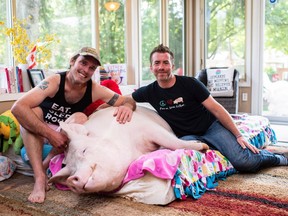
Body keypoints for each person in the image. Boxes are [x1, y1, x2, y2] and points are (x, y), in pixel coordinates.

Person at [131, 44, 288, 174]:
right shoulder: (148, 91)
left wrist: (238, 135)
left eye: (165, 63)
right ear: (151, 67)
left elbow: (217, 109)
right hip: (187, 137)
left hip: (210, 128)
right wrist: (125, 105)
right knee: (182, 163)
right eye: (157, 63)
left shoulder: (190, 83)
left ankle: (279, 158)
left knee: (245, 163)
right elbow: (124, 99)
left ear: (172, 65)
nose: (161, 67)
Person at [11, 47, 136, 204]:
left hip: (64, 138)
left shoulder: (95, 89)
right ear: (72, 61)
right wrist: (51, 134)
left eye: (91, 68)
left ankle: (45, 165)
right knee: (31, 113)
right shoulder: (54, 81)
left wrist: (127, 106)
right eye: (83, 63)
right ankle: (39, 177)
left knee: (81, 117)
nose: (85, 70)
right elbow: (18, 108)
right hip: (40, 133)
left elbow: (127, 100)